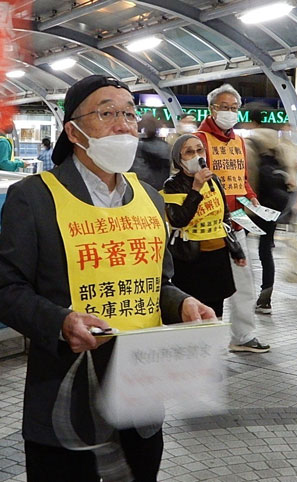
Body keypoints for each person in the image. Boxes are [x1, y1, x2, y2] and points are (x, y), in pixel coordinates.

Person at [0, 74, 215, 482]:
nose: (123, 124)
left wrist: (181, 302)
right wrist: (60, 322)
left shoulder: (149, 197)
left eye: (130, 114)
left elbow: (159, 282)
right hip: (65, 401)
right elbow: (7, 289)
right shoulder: (33, 198)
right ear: (73, 130)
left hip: (140, 400)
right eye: (107, 113)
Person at [195, 84, 270, 353]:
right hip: (207, 226)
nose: (229, 112)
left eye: (234, 108)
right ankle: (204, 336)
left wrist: (251, 196)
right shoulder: (198, 140)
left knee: (244, 283)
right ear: (211, 108)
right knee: (208, 286)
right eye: (223, 107)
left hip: (236, 222)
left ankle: (243, 335)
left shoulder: (239, 142)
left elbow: (242, 179)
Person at [163, 134, 246, 318]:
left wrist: (236, 250)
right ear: (178, 158)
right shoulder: (173, 185)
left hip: (217, 257)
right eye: (189, 152)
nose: (197, 156)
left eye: (200, 150)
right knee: (191, 311)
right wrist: (196, 188)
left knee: (215, 310)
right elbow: (178, 220)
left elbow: (224, 216)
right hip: (190, 257)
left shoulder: (214, 180)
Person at [245, 104, 297, 314]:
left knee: (238, 248)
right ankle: (265, 299)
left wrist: (249, 206)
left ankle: (242, 293)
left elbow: (249, 176)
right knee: (265, 251)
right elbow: (290, 174)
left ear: (251, 122)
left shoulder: (249, 143)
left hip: (254, 205)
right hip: (273, 205)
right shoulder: (277, 142)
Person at [129, 113, 171, 190]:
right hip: (160, 188)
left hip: (142, 188)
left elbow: (138, 172)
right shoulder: (164, 146)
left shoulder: (138, 146)